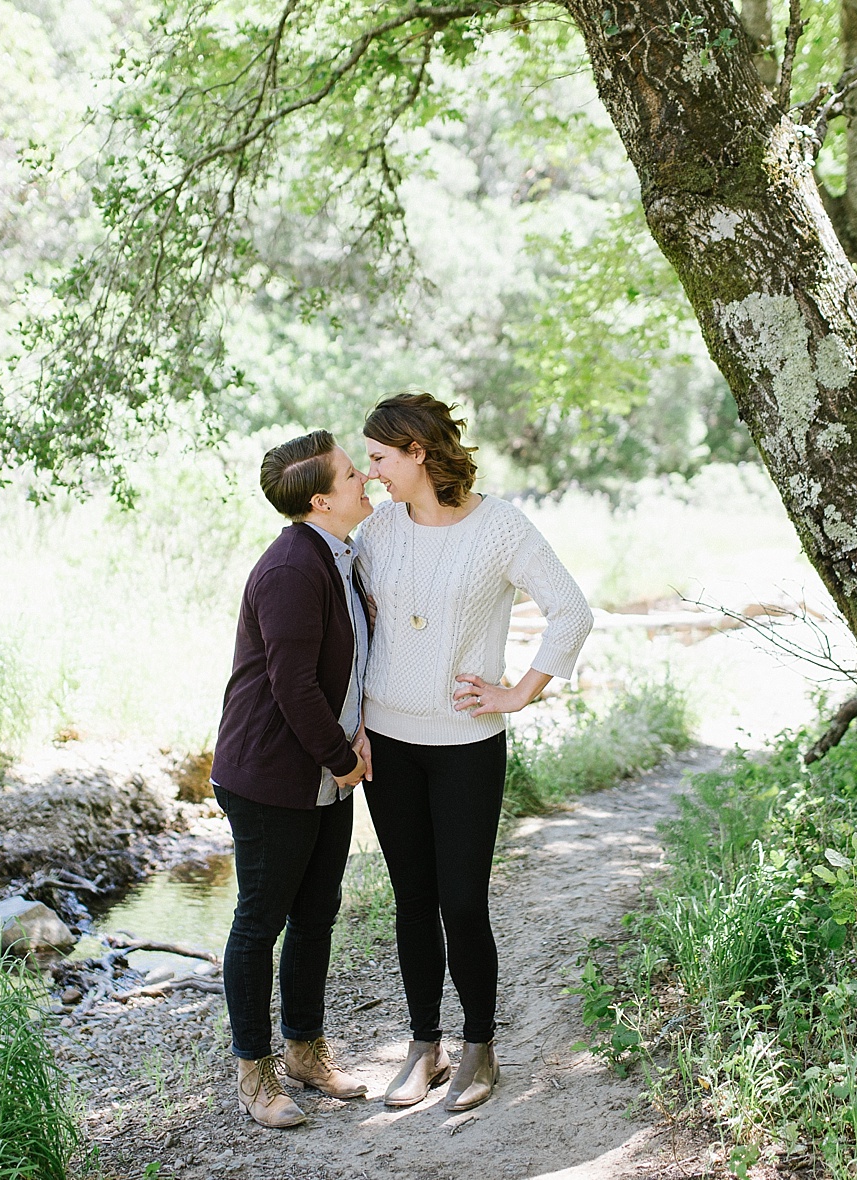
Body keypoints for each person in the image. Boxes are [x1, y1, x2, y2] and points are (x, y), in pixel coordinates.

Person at [351, 392, 594, 1111]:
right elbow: (353, 621)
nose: (370, 475)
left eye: (380, 458)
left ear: (418, 453)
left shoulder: (501, 527)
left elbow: (571, 610)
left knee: (462, 900)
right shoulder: (377, 530)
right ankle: (424, 1046)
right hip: (388, 743)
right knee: (412, 900)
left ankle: (481, 1050)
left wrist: (519, 691)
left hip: (465, 747)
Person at [208, 430, 377, 1128]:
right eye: (349, 472)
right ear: (320, 499)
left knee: (316, 913)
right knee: (260, 922)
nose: (363, 476)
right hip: (272, 773)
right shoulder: (290, 569)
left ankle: (306, 1052)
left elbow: (345, 666)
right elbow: (292, 687)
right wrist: (344, 758)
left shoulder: (340, 555)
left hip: (322, 766)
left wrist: (354, 734)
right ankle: (255, 1075)